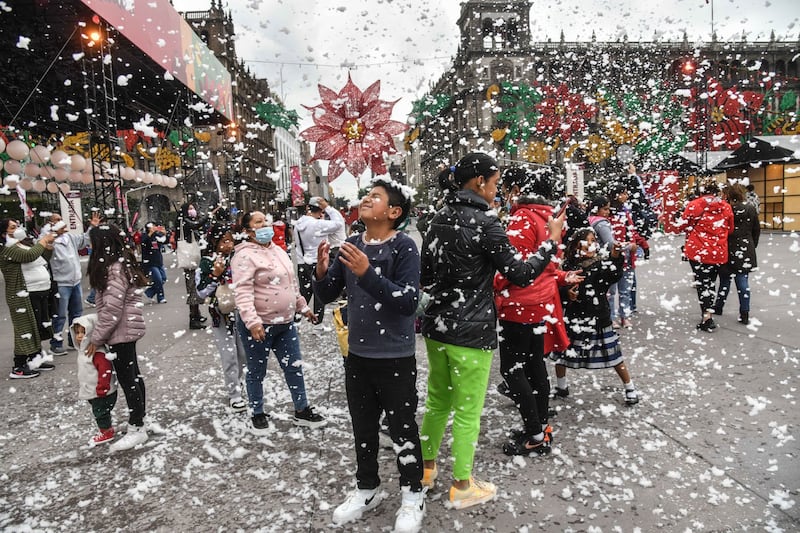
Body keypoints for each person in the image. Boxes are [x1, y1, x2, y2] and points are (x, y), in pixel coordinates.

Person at [418, 152, 564, 510]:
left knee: (437, 401)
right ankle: (463, 484)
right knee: (468, 409)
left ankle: (425, 469)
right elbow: (520, 273)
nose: (497, 191)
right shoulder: (486, 223)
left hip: (437, 326)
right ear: (480, 182)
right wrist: (550, 243)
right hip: (472, 331)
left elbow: (426, 277)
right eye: (495, 183)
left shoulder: (437, 218)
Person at [313, 177, 425, 532]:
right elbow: (329, 291)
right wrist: (320, 272)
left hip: (395, 355)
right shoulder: (350, 244)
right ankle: (367, 487)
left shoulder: (404, 247)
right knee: (363, 427)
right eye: (366, 194)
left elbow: (408, 302)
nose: (365, 199)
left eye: (374, 197)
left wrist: (367, 272)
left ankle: (412, 494)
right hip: (358, 354)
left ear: (393, 212)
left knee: (403, 427)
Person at [493, 166, 584, 456]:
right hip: (541, 302)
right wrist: (559, 277)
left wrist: (493, 281)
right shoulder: (550, 217)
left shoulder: (523, 217)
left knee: (513, 369)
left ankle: (534, 434)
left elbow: (514, 269)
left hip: (520, 302)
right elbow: (548, 264)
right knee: (534, 365)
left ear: (520, 189)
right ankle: (540, 425)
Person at [232, 211, 327, 435]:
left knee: (294, 367)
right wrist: (252, 322)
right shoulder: (244, 256)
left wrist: (303, 307)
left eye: (266, 220)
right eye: (258, 222)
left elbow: (291, 284)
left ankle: (302, 410)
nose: (265, 224)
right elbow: (243, 292)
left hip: (285, 323)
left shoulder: (278, 250)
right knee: (257, 371)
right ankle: (257, 412)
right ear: (248, 231)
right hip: (260, 325)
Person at [550, 228, 640, 405]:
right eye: (586, 242)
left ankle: (629, 387)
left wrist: (615, 257)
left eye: (593, 241)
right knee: (562, 352)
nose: (590, 245)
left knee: (613, 354)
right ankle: (561, 386)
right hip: (574, 317)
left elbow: (614, 275)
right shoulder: (567, 266)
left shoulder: (601, 263)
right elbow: (557, 286)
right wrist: (567, 294)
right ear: (576, 246)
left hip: (598, 316)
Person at [85, 224, 151, 452]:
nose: (90, 247)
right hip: (125, 329)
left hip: (120, 331)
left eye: (93, 242)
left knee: (128, 379)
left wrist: (96, 337)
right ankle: (140, 418)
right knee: (133, 375)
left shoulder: (113, 269)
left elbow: (111, 310)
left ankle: (137, 426)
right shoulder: (120, 263)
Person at [196, 224, 247, 412]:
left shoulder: (238, 259)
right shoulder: (207, 262)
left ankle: (238, 383)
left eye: (231, 240)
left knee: (243, 354)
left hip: (242, 312)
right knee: (229, 355)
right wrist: (215, 275)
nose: (229, 245)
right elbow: (201, 292)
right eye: (224, 241)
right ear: (215, 242)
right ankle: (234, 393)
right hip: (221, 315)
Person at [1, 219, 56, 378]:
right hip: (21, 294)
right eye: (12, 227)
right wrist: (43, 241)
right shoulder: (6, 248)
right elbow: (30, 255)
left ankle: (35, 359)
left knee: (36, 326)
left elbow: (42, 257)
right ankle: (19, 366)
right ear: (3, 232)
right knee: (24, 329)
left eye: (17, 226)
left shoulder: (20, 244)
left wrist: (48, 246)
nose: (17, 229)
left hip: (37, 291)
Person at [680, 181, 734, 331]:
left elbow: (684, 224)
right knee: (711, 282)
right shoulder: (726, 206)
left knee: (702, 283)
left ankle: (707, 316)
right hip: (718, 251)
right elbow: (730, 229)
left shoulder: (693, 205)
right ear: (717, 192)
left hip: (698, 251)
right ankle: (709, 312)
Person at [44, 211, 101, 355]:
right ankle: (56, 342)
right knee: (60, 314)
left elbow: (84, 240)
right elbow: (44, 252)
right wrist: (53, 235)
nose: (61, 222)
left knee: (76, 313)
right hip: (61, 282)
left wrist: (92, 227)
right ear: (50, 223)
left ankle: (74, 338)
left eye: (61, 219)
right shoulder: (47, 239)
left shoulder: (69, 237)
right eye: (56, 220)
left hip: (75, 281)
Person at [292, 197, 344, 328]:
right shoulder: (317, 224)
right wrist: (328, 208)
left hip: (302, 262)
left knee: (304, 292)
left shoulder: (298, 225)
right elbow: (339, 223)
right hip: (316, 261)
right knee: (319, 294)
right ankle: (317, 324)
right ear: (320, 211)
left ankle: (296, 321)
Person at [713, 183, 760, 325]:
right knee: (742, 282)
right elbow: (756, 230)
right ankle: (744, 312)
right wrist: (751, 245)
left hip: (727, 247)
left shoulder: (726, 209)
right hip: (745, 248)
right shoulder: (750, 209)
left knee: (724, 281)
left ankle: (719, 306)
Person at [72, 314, 118, 447]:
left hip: (101, 391)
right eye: (77, 333)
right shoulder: (84, 351)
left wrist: (103, 387)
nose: (79, 336)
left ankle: (106, 432)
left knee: (100, 412)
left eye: (83, 332)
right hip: (93, 389)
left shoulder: (98, 353)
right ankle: (107, 427)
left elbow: (105, 370)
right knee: (100, 410)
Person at [606, 185, 645, 328]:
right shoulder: (609, 213)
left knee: (625, 290)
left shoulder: (625, 212)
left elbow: (631, 231)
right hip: (614, 255)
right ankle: (611, 317)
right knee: (611, 291)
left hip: (627, 256)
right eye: (623, 193)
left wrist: (634, 243)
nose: (626, 196)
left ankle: (625, 316)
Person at [179, 202, 210, 329]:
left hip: (194, 261)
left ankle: (197, 314)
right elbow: (195, 225)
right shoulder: (184, 222)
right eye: (190, 208)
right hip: (190, 262)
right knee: (192, 289)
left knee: (195, 288)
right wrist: (206, 217)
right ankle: (193, 319)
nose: (193, 211)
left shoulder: (187, 221)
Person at [141, 223, 168, 304]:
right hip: (150, 263)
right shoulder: (145, 236)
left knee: (163, 278)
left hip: (159, 261)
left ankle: (149, 292)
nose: (154, 228)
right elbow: (143, 242)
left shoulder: (156, 236)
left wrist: (164, 233)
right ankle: (161, 297)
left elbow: (164, 241)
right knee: (158, 280)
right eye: (152, 226)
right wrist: (150, 233)